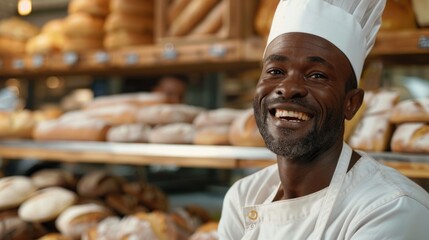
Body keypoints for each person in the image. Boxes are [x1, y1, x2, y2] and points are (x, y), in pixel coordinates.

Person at [218, 0, 429, 239]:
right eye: (275, 71)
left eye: (317, 75)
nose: (288, 89)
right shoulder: (243, 197)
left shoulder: (390, 209)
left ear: (351, 104)